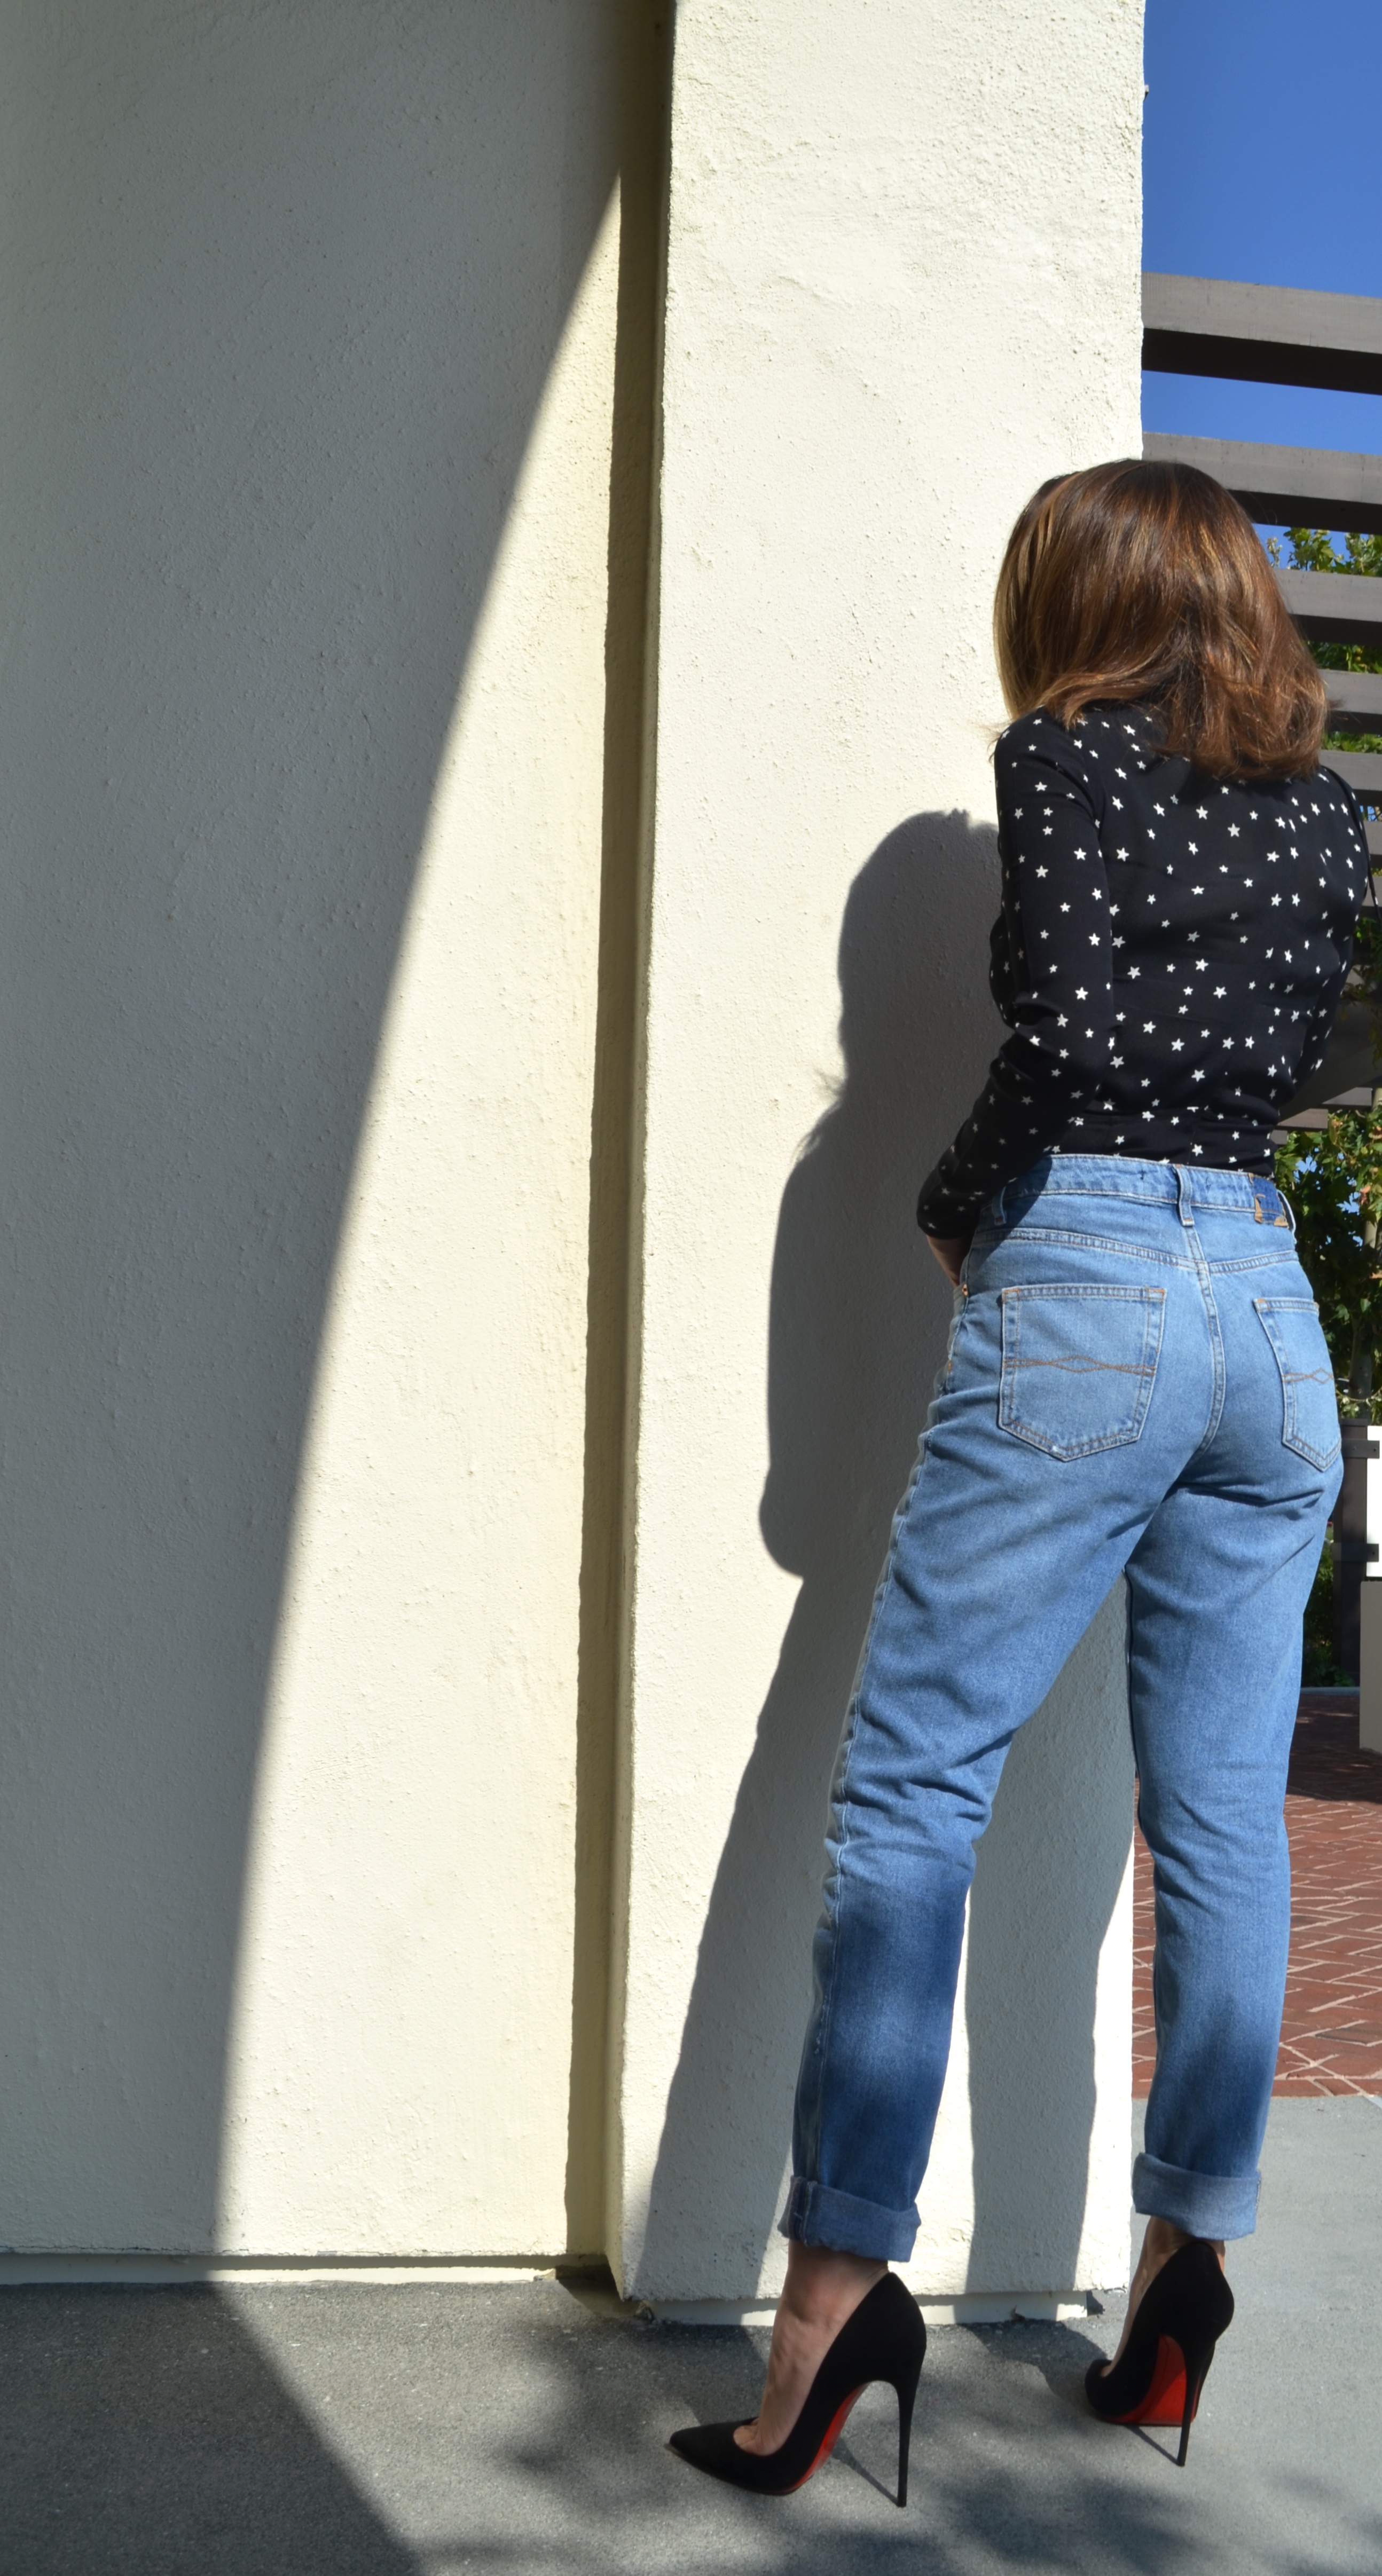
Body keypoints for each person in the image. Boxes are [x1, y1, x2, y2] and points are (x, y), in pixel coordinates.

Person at [669, 460, 1369, 2501]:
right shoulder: (1317, 815)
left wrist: (960, 1200)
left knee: (905, 1792)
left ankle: (828, 2309)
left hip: (1095, 1280)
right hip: (1266, 1301)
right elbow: (1245, 1054)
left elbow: (1062, 1022)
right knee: (1224, 1821)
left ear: (1080, 596)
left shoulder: (1060, 759)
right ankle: (1179, 2278)